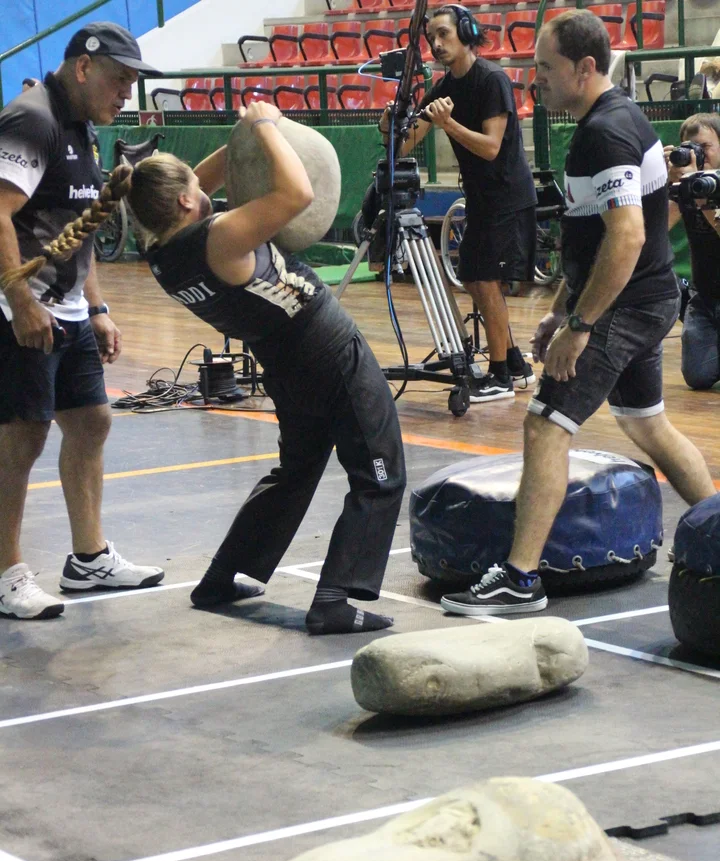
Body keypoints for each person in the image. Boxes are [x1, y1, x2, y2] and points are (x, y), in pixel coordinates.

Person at [439, 9, 716, 616]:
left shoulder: (605, 134)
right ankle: (717, 540)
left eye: (546, 66)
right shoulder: (617, 118)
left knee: (545, 425)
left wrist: (580, 326)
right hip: (644, 299)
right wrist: (559, 311)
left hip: (626, 305)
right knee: (647, 425)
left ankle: (520, 579)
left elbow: (627, 238)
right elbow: (593, 240)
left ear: (585, 67)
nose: (535, 78)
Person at [122, 102, 405, 635]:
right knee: (380, 472)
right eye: (193, 187)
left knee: (296, 472)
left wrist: (244, 134)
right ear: (184, 201)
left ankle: (221, 577)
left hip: (283, 361)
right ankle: (335, 599)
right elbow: (298, 194)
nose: (203, 186)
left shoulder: (161, 250)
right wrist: (266, 125)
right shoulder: (220, 237)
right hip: (327, 351)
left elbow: (202, 179)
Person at [0, 22, 164, 620]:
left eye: (132, 82)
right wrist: (21, 303)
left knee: (91, 422)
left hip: (66, 310)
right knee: (22, 438)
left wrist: (96, 309)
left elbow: (81, 230)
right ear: (83, 67)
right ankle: (6, 573)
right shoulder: (32, 119)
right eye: (120, 79)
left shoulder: (82, 128)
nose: (127, 93)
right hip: (19, 309)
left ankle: (89, 559)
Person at [380, 4, 538, 404]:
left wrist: (448, 124)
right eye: (431, 37)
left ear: (466, 33)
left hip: (506, 195)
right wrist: (390, 125)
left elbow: (491, 147)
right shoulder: (444, 87)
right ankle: (514, 362)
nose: (435, 44)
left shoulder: (492, 80)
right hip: (482, 197)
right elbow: (402, 145)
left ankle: (500, 376)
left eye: (443, 34)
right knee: (471, 275)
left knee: (484, 280)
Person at [665, 113, 720, 390]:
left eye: (705, 147)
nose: (698, 154)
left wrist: (702, 196)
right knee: (698, 377)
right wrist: (668, 185)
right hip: (704, 296)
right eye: (691, 148)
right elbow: (652, 232)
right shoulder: (685, 185)